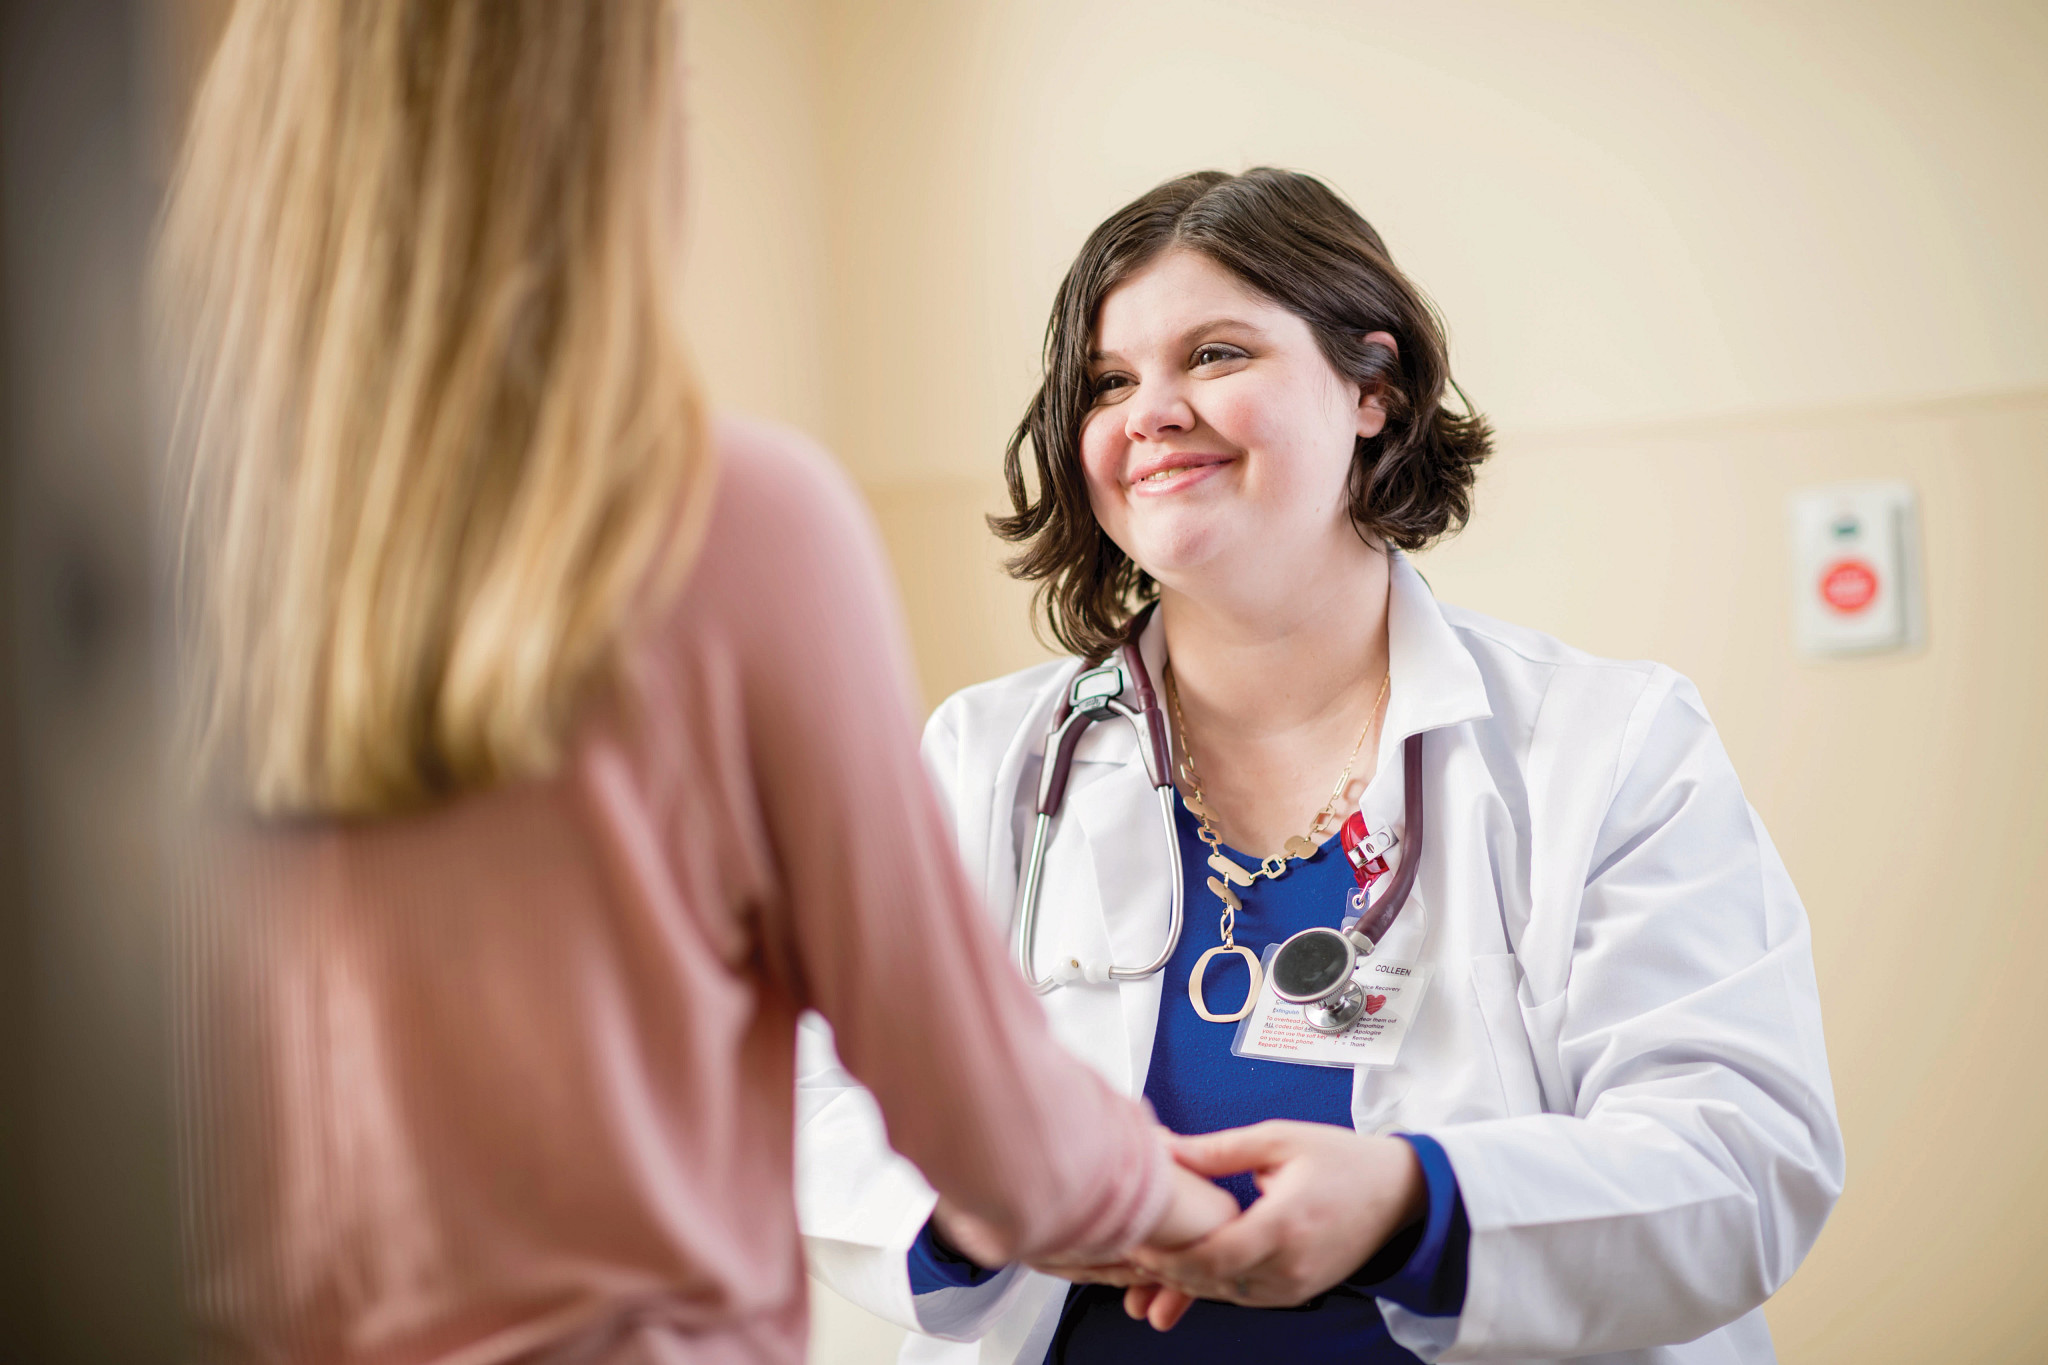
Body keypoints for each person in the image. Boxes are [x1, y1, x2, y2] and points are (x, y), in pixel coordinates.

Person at [155, 5, 1234, 1363]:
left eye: (1218, 356)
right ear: (598, 144)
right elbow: (981, 1124)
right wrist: (1187, 1206)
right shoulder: (736, 524)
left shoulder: (127, 553)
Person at [796, 168, 1845, 1364]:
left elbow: (1737, 1156)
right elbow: (810, 1103)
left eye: (1216, 354)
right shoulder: (984, 762)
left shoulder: (1608, 746)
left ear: (1372, 388)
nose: (1150, 411)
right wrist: (962, 1212)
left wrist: (1410, 1204)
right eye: (1107, 381)